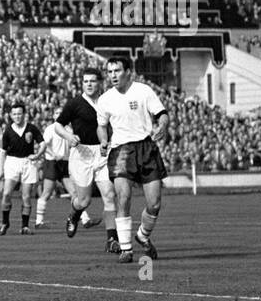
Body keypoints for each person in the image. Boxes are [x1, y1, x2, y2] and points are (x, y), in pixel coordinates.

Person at [96, 56, 169, 264]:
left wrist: (162, 126)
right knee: (123, 196)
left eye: (117, 71)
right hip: (121, 151)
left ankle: (143, 236)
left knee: (154, 203)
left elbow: (162, 114)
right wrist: (103, 140)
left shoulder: (143, 91)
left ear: (128, 72)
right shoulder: (105, 99)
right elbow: (102, 126)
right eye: (109, 72)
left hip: (146, 147)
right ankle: (126, 249)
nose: (113, 76)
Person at [55, 67, 119, 253]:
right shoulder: (75, 103)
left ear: (100, 82)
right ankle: (74, 216)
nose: (89, 84)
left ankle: (111, 239)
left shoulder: (108, 101)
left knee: (109, 195)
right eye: (86, 81)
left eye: (92, 81)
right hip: (81, 154)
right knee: (84, 201)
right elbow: (58, 125)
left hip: (103, 153)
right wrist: (68, 136)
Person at [0, 102, 44, 236]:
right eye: (14, 114)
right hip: (12, 162)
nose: (17, 116)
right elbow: (2, 152)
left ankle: (24, 226)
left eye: (19, 114)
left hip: (28, 163)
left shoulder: (31, 128)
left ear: (24, 114)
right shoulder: (8, 130)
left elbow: (43, 144)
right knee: (6, 193)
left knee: (26, 197)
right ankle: (5, 222)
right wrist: (1, 170)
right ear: (11, 116)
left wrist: (37, 155)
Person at [36, 106, 77, 228]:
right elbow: (44, 146)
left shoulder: (68, 129)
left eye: (61, 113)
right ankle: (39, 221)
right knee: (47, 193)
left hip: (64, 163)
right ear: (53, 116)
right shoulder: (50, 129)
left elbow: (72, 144)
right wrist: (54, 154)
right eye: (57, 113)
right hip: (52, 162)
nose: (59, 115)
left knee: (74, 192)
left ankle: (84, 219)